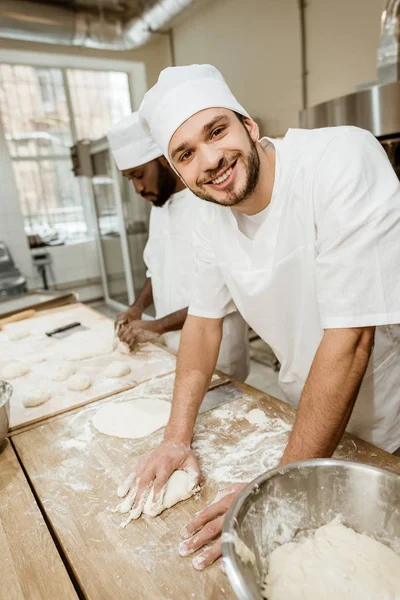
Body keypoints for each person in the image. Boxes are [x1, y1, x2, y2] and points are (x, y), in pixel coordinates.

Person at [120, 64, 400, 571]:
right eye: (186, 154)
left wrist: (279, 483)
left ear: (249, 125)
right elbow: (203, 326)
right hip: (310, 418)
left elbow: (353, 338)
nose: (211, 160)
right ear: (177, 169)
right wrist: (175, 438)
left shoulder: (339, 158)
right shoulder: (208, 218)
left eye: (217, 131)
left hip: (391, 415)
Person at [107, 111, 249, 380]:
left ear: (163, 160)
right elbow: (157, 270)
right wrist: (137, 307)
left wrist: (158, 325)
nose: (137, 188)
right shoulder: (159, 205)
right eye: (130, 179)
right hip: (167, 347)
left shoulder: (211, 202)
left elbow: (229, 290)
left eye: (139, 175)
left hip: (217, 354)